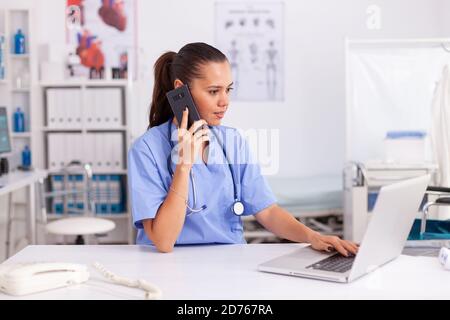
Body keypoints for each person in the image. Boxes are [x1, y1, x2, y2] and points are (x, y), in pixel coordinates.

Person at [128, 42, 358, 255]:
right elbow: (164, 241)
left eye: (228, 89)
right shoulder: (146, 149)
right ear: (181, 91)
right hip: (169, 267)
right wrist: (184, 166)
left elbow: (266, 211)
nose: (224, 101)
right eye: (213, 91)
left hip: (231, 261)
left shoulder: (232, 141)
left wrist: (313, 237)